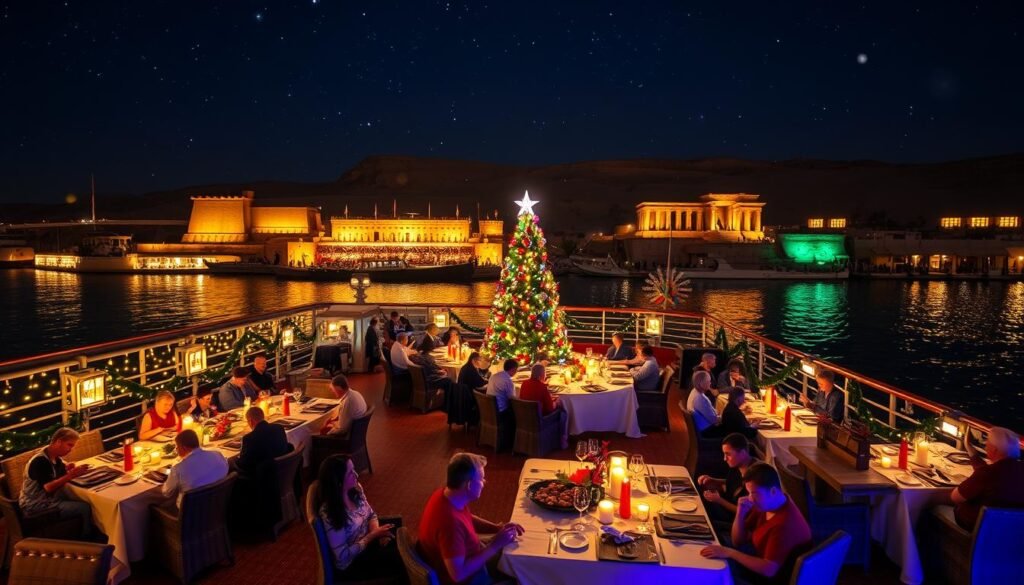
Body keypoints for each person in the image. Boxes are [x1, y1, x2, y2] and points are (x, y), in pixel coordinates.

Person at [418, 453, 524, 585]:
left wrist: (497, 528)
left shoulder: (444, 496)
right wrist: (495, 545)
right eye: (481, 479)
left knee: (514, 557)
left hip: (473, 558)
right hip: (471, 579)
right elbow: (458, 575)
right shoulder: (450, 525)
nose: (484, 482)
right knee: (521, 577)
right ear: (469, 485)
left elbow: (466, 518)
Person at [700, 463, 812, 583]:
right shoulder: (769, 503)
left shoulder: (784, 524)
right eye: (749, 493)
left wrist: (730, 552)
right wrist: (740, 513)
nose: (750, 498)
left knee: (709, 577)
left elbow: (769, 569)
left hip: (768, 578)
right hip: (754, 556)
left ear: (773, 491)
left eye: (754, 493)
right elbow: (737, 541)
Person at [318, 454, 399, 577]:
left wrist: (377, 532)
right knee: (399, 556)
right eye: (350, 473)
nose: (356, 475)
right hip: (352, 563)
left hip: (367, 542)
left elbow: (371, 514)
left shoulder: (355, 489)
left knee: (400, 534)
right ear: (338, 482)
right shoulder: (331, 513)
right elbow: (343, 557)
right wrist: (373, 536)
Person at [19, 428, 96, 539]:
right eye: (69, 445)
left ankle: (82, 530)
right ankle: (87, 538)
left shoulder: (53, 457)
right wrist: (71, 475)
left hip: (44, 500)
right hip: (35, 505)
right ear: (59, 442)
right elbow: (48, 487)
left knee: (80, 497)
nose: (71, 450)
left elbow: (56, 472)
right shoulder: (40, 461)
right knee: (85, 507)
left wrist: (67, 469)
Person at [946, 426, 1024, 530]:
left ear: (994, 449)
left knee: (932, 506)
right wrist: (972, 453)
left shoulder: (988, 473)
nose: (985, 446)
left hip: (975, 527)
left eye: (987, 443)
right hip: (1007, 530)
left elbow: (955, 497)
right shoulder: (1018, 469)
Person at [698, 433, 760, 519]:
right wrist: (712, 480)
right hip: (727, 502)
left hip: (738, 518)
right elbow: (733, 482)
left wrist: (719, 500)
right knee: (700, 491)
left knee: (703, 508)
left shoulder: (756, 475)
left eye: (728, 454)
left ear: (742, 453)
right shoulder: (737, 464)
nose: (724, 459)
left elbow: (748, 512)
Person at [162, 429, 229, 505]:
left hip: (192, 512)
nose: (176, 450)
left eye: (177, 447)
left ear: (184, 448)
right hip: (219, 504)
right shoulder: (217, 454)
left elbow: (167, 493)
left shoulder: (179, 468)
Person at [518, 364, 569, 449]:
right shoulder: (542, 387)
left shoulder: (524, 383)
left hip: (524, 417)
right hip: (539, 419)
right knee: (563, 412)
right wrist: (556, 402)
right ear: (541, 375)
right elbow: (550, 409)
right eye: (544, 374)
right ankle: (562, 441)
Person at [235, 406, 293, 475]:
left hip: (262, 478)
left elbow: (243, 464)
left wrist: (233, 461)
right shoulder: (279, 428)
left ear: (250, 421)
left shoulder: (249, 438)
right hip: (284, 471)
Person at [686, 370, 720, 435]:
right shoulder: (700, 398)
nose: (710, 383)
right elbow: (713, 420)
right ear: (701, 384)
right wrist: (723, 417)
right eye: (708, 381)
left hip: (701, 428)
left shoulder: (694, 391)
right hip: (706, 431)